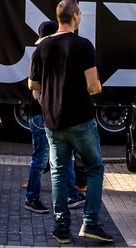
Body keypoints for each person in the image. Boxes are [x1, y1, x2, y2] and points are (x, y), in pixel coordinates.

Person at [29, 0, 112, 244]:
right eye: (80, 14)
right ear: (75, 16)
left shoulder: (41, 48)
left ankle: (62, 228)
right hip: (80, 120)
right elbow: (93, 86)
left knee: (58, 173)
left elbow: (33, 85)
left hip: (52, 121)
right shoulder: (84, 45)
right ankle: (91, 223)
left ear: (58, 17)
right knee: (95, 168)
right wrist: (96, 88)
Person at [24, 20, 86, 215]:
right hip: (42, 114)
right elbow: (34, 88)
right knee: (41, 158)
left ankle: (70, 194)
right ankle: (32, 198)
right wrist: (52, 107)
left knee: (64, 156)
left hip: (48, 114)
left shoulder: (43, 52)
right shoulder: (42, 53)